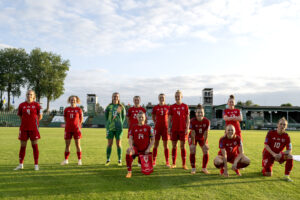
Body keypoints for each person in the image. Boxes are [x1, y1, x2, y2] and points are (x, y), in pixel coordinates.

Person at [14, 90, 42, 171]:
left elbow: (40, 116)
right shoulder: (21, 105)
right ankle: (20, 164)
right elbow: (20, 115)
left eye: (31, 94)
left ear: (34, 96)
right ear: (26, 95)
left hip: (34, 129)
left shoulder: (37, 105)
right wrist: (25, 122)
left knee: (34, 146)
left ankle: (36, 165)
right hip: (23, 128)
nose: (29, 95)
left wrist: (34, 122)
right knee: (22, 146)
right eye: (28, 94)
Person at [262, 117, 294, 182]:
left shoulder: (287, 136)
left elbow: (289, 150)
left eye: (284, 125)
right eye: (281, 124)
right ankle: (264, 167)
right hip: (268, 154)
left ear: (286, 126)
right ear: (277, 125)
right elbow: (266, 145)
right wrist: (273, 154)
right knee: (268, 174)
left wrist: (281, 154)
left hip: (278, 155)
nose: (282, 126)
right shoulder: (270, 133)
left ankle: (286, 176)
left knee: (290, 156)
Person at [125, 112, 155, 178]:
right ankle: (129, 172)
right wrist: (131, 147)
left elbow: (153, 139)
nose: (141, 118)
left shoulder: (149, 128)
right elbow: (130, 138)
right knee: (128, 151)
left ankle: (140, 161)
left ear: (145, 118)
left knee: (146, 171)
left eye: (142, 117)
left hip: (145, 151)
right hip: (136, 149)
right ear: (137, 118)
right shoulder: (133, 127)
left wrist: (148, 149)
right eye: (139, 117)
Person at [168, 90, 190, 169]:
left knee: (182, 146)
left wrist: (187, 128)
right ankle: (173, 163)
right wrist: (168, 128)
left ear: (181, 97)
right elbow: (169, 118)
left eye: (178, 96)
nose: (177, 97)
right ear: (175, 97)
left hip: (182, 129)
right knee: (174, 146)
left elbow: (188, 119)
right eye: (176, 96)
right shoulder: (172, 107)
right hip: (174, 129)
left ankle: (184, 164)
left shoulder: (185, 106)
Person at [61, 96, 83, 166]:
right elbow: (65, 119)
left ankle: (79, 160)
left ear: (76, 101)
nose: (72, 101)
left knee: (78, 145)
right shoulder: (66, 109)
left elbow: (81, 119)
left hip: (77, 129)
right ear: (69, 101)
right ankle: (66, 160)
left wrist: (78, 125)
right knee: (67, 145)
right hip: (68, 129)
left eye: (74, 100)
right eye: (71, 100)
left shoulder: (79, 109)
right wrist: (69, 124)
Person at [105, 92, 126, 166]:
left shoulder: (121, 107)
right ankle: (108, 159)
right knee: (109, 144)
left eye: (117, 96)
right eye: (114, 96)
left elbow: (123, 118)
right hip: (110, 128)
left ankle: (119, 160)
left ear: (119, 98)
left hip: (118, 128)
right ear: (112, 97)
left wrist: (120, 124)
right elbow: (106, 116)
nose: (115, 97)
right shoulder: (109, 107)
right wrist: (109, 124)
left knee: (118, 144)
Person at [189, 104, 210, 174]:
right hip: (193, 136)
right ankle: (193, 168)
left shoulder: (207, 121)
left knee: (206, 150)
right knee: (192, 150)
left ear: (204, 113)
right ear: (195, 113)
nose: (200, 114)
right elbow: (193, 133)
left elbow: (206, 133)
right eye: (198, 112)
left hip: (201, 137)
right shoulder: (192, 121)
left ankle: (204, 168)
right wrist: (192, 144)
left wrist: (204, 144)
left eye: (201, 112)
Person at [152, 93, 170, 167]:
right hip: (157, 128)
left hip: (165, 128)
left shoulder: (168, 107)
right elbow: (153, 116)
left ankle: (167, 162)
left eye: (162, 97)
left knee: (166, 145)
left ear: (165, 98)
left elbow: (170, 117)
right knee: (156, 144)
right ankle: (153, 161)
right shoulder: (155, 107)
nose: (161, 98)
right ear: (158, 98)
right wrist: (156, 122)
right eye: (160, 97)